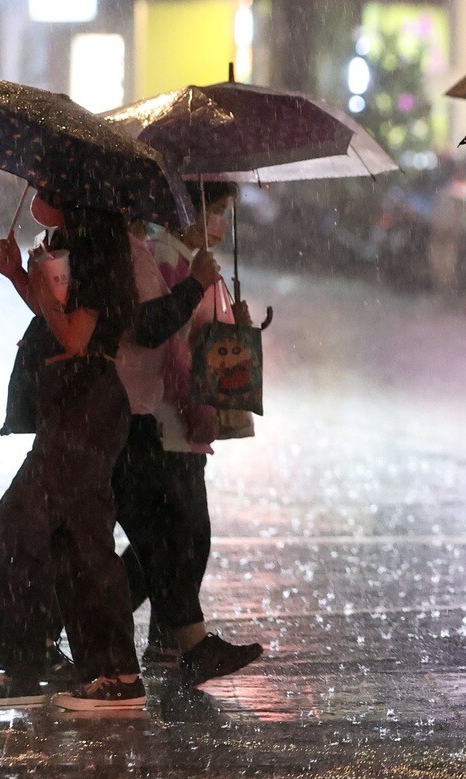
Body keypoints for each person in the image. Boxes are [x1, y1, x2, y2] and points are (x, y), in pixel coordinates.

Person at [0, 202, 145, 710]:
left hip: (87, 402)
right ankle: (109, 672)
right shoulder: (72, 244)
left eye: (47, 177)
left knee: (18, 523)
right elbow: (53, 318)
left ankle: (27, 661)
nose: (37, 188)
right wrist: (20, 275)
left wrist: (38, 283)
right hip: (70, 401)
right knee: (80, 540)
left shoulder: (99, 248)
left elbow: (77, 335)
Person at [111, 199, 264, 685]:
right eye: (214, 209)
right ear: (186, 207)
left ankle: (171, 639)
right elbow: (171, 347)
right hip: (167, 423)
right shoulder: (168, 259)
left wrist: (234, 323)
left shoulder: (187, 263)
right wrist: (195, 409)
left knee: (166, 542)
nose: (219, 222)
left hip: (171, 422)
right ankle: (165, 639)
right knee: (177, 539)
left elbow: (199, 336)